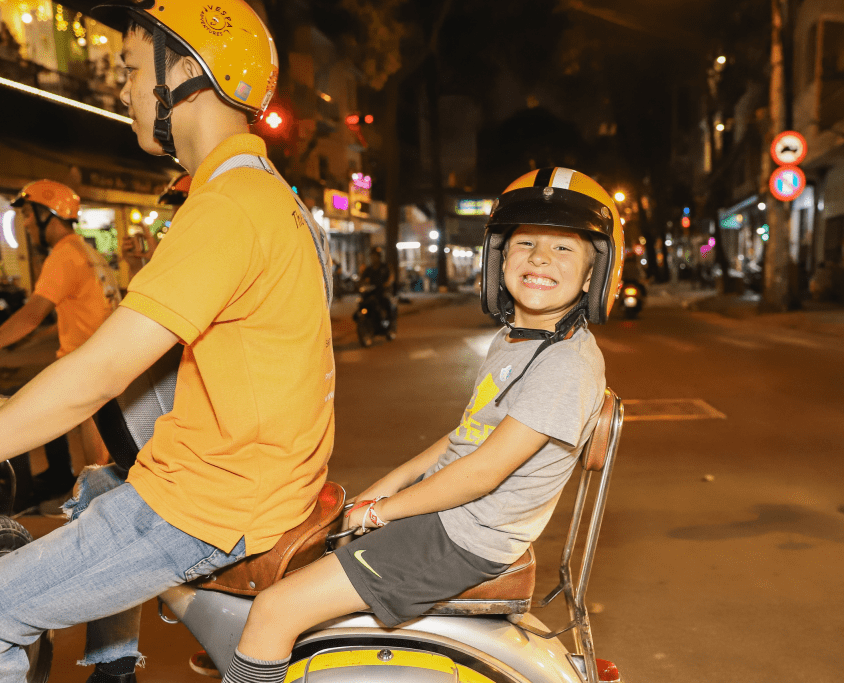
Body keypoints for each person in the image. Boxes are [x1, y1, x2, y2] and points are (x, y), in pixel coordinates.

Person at [0, 3, 334, 683]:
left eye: (131, 70)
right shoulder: (266, 194)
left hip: (212, 504)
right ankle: (113, 666)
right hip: (246, 480)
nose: (122, 89)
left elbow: (95, 375)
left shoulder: (228, 207)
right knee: (94, 483)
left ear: (186, 72)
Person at [222, 167, 624, 683]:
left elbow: (483, 472)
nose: (541, 258)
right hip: (454, 522)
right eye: (525, 242)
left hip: (461, 538)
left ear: (594, 273)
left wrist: (379, 514)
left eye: (564, 248)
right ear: (500, 259)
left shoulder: (566, 365)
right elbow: (467, 436)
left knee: (274, 610)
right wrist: (383, 489)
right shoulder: (520, 338)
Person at [0, 179, 119, 501]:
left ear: (47, 214)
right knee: (78, 440)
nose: (25, 224)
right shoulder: (87, 250)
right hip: (102, 361)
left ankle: (92, 509)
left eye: (27, 216)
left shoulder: (63, 254)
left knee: (93, 461)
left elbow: (31, 313)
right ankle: (60, 482)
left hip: (86, 368)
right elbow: (80, 311)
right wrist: (31, 339)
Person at [358, 246, 394, 319]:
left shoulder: (385, 267)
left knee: (387, 302)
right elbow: (362, 279)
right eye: (372, 256)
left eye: (375, 256)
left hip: (382, 291)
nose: (373, 258)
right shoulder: (369, 269)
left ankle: (388, 319)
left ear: (379, 257)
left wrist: (387, 284)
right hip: (371, 291)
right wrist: (361, 284)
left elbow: (391, 277)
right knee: (361, 302)